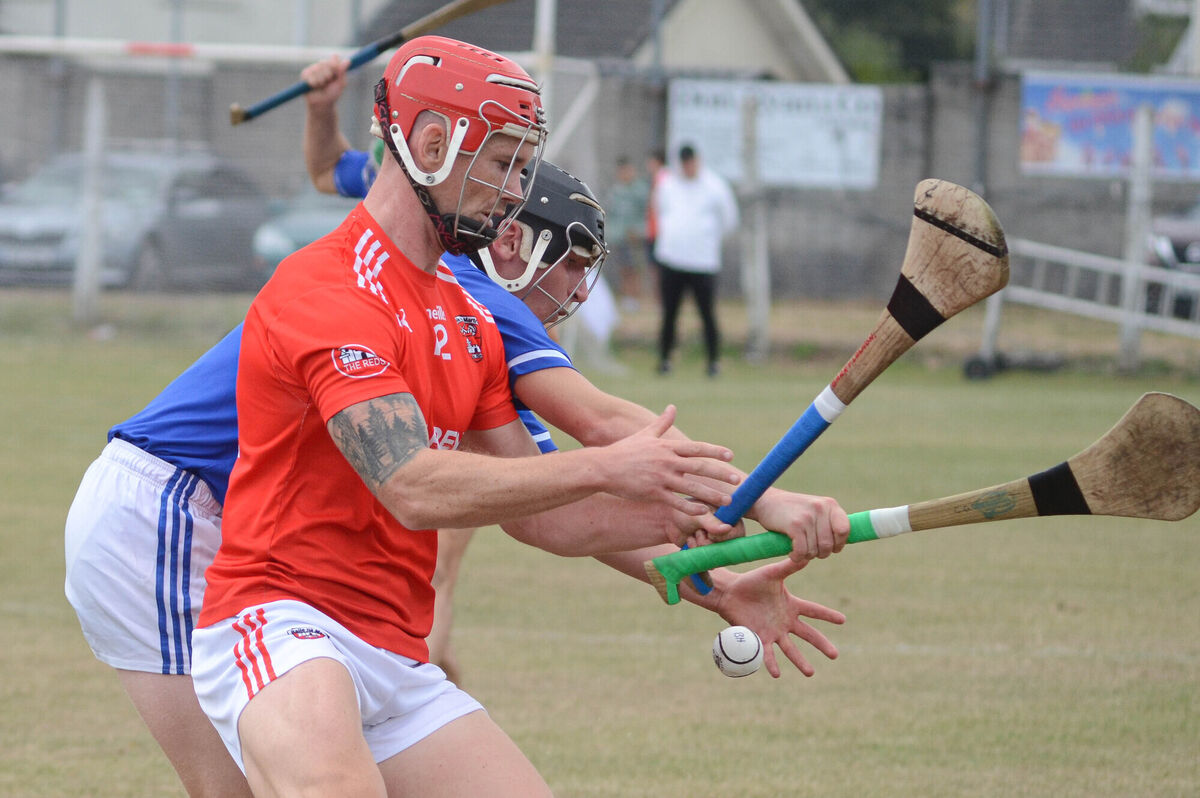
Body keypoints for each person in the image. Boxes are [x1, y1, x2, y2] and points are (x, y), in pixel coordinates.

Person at [188, 36, 835, 797]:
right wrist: (612, 468)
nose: (512, 194)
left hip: (392, 651)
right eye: (503, 165)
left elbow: (545, 517)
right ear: (432, 146)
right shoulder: (330, 286)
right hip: (282, 623)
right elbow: (411, 484)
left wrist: (725, 539)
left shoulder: (468, 316)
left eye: (524, 169)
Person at [302, 56, 849, 687]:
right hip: (195, 501)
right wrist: (766, 498)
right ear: (511, 242)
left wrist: (719, 585)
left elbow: (552, 516)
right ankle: (428, 659)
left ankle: (425, 664)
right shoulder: (481, 295)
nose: (581, 291)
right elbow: (602, 421)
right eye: (571, 262)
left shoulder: (440, 242)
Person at [654, 142, 739, 378]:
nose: (688, 167)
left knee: (707, 313)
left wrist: (705, 239)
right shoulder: (668, 184)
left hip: (703, 261)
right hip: (671, 257)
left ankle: (713, 361)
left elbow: (729, 220)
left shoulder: (715, 186)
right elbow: (660, 211)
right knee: (670, 313)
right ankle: (665, 359)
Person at [605, 155, 650, 311]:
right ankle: (626, 297)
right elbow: (611, 213)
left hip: (635, 236)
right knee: (623, 267)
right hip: (619, 236)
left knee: (635, 268)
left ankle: (636, 298)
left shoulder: (640, 190)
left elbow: (646, 212)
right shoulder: (616, 191)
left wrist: (640, 230)